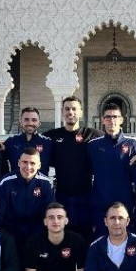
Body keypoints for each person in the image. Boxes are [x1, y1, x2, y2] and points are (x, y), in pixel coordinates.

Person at [44, 96, 100, 239]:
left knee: (86, 236)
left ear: (80, 112)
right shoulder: (52, 136)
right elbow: (30, 146)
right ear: (62, 112)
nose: (71, 112)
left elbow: (114, 143)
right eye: (67, 109)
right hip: (62, 196)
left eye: (74, 109)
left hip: (86, 196)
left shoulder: (93, 135)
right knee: (64, 237)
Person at [87, 102, 136, 236]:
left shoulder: (133, 144)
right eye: (108, 117)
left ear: (122, 120)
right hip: (101, 206)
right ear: (103, 120)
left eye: (115, 117)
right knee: (102, 245)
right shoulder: (93, 146)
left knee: (126, 246)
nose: (112, 120)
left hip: (125, 205)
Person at [0, 146, 55, 258]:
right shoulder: (5, 183)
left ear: (39, 165)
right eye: (25, 162)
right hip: (10, 237)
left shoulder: (46, 184)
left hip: (36, 237)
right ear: (18, 163)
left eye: (32, 163)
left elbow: (50, 214)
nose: (28, 167)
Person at [4, 107, 53, 175]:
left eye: (34, 120)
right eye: (26, 119)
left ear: (39, 123)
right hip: (17, 184)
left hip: (40, 185)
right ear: (21, 122)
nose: (30, 123)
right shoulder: (11, 142)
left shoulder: (48, 143)